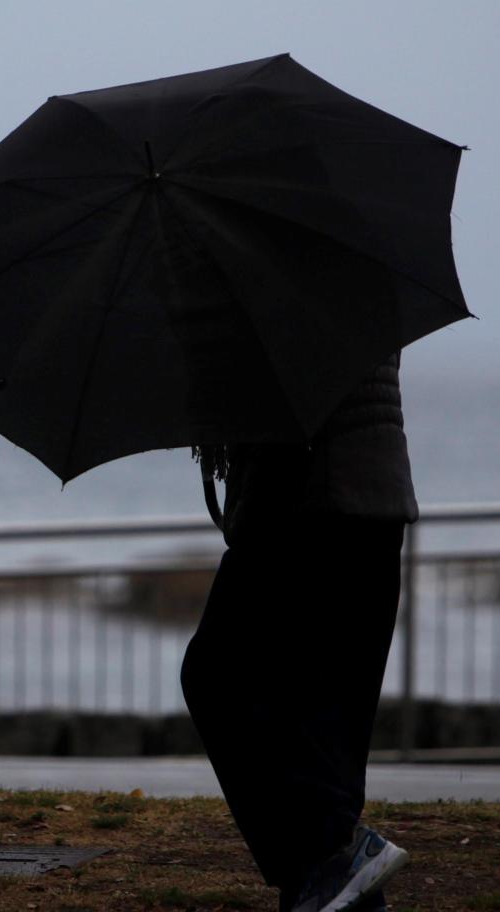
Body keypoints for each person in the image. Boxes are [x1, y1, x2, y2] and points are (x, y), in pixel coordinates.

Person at [180, 353, 417, 912]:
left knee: (216, 676)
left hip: (310, 498)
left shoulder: (279, 281)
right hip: (371, 495)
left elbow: (284, 385)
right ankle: (339, 883)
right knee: (319, 727)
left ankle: (338, 858)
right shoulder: (340, 286)